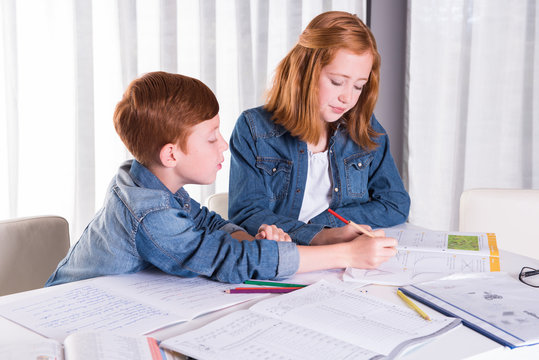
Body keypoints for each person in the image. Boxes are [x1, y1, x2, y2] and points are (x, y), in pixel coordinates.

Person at [46, 71, 397, 286]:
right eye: (212, 136)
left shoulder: (149, 178)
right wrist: (346, 255)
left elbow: (209, 224)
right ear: (171, 154)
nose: (224, 145)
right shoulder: (150, 213)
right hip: (71, 322)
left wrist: (254, 240)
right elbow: (228, 260)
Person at [229, 11, 410, 247]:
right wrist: (316, 234)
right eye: (337, 81)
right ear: (305, 72)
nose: (347, 98)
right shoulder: (254, 128)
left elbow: (395, 204)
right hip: (285, 258)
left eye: (358, 86)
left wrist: (330, 224)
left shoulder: (364, 127)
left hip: (344, 256)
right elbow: (247, 214)